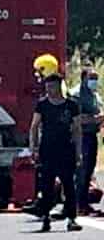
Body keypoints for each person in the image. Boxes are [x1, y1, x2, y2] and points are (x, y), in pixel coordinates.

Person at [30, 72, 82, 232]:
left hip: (66, 149)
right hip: (47, 150)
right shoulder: (42, 105)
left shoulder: (71, 105)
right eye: (47, 86)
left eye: (52, 86)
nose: (49, 89)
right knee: (46, 185)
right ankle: (45, 217)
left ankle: (72, 218)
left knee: (69, 185)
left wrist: (78, 152)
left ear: (60, 85)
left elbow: (77, 129)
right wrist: (35, 148)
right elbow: (34, 126)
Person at [77, 69, 104, 216]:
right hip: (81, 137)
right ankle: (78, 204)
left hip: (92, 135)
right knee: (82, 171)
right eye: (91, 78)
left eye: (96, 77)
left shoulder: (94, 96)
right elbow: (76, 118)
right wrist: (95, 119)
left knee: (88, 171)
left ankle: (84, 203)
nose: (94, 80)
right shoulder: (77, 95)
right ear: (83, 79)